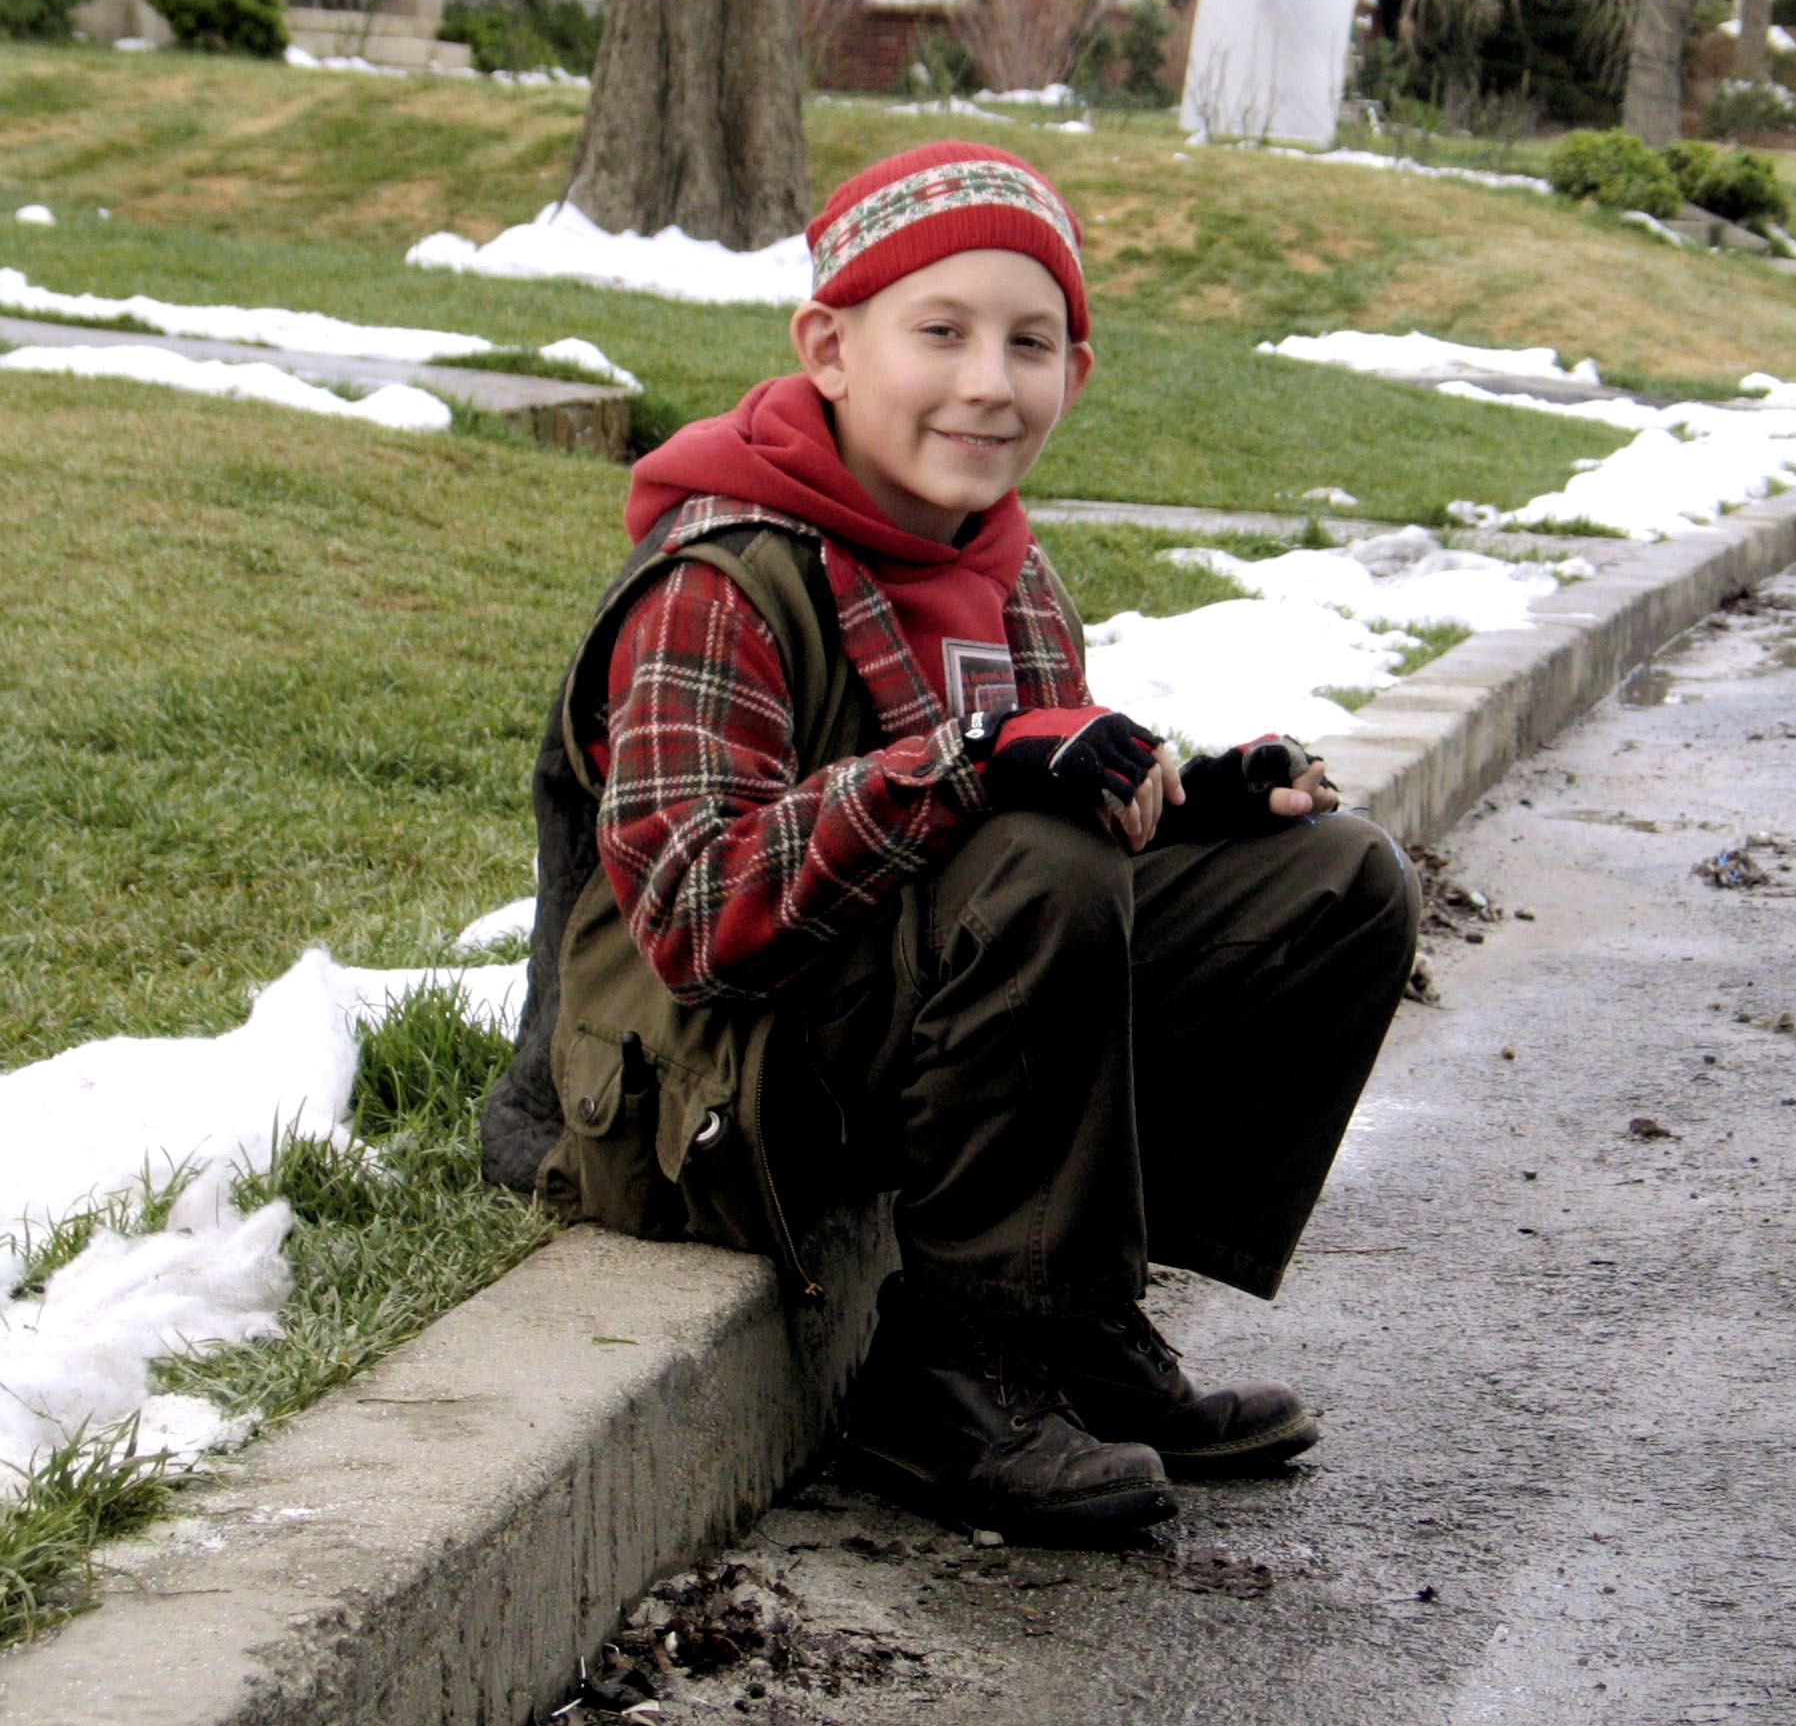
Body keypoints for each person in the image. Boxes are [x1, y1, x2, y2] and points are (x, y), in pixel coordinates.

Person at [479, 141, 1421, 1540]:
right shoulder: (720, 578)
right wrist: (971, 765)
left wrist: (1199, 799)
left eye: (1030, 344)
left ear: (1074, 376)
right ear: (829, 348)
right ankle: (948, 1374)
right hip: (703, 1087)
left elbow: (1039, 827)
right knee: (1040, 864)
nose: (989, 381)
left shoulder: (1006, 567)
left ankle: (1074, 1322)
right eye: (941, 332)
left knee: (1336, 884)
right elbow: (692, 916)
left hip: (894, 1026)